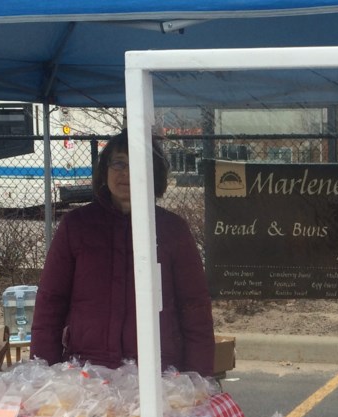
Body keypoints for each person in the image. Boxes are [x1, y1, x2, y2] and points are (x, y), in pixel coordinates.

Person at [31, 129, 216, 377]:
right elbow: (50, 302)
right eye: (119, 163)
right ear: (104, 170)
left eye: (139, 164)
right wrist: (42, 371)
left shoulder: (172, 229)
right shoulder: (76, 225)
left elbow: (194, 307)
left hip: (159, 372)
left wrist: (198, 376)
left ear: (154, 173)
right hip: (86, 372)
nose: (127, 173)